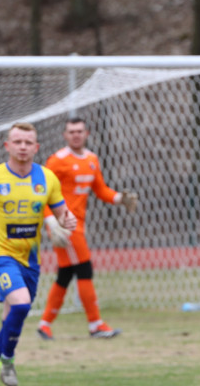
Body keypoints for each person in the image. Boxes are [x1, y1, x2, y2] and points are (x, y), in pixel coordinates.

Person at [0, 122, 76, 386]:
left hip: (30, 260)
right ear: (7, 146)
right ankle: (8, 358)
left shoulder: (47, 178)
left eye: (28, 142)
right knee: (21, 304)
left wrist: (66, 221)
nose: (23, 147)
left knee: (14, 315)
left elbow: (61, 213)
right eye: (17, 141)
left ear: (36, 147)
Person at [37, 117, 138, 340]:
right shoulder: (57, 160)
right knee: (84, 270)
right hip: (65, 226)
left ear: (87, 133)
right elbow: (40, 192)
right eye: (71, 131)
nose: (76, 135)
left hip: (78, 225)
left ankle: (45, 324)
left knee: (66, 274)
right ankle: (95, 324)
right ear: (65, 135)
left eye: (79, 131)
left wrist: (120, 198)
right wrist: (50, 221)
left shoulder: (92, 159)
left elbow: (100, 189)